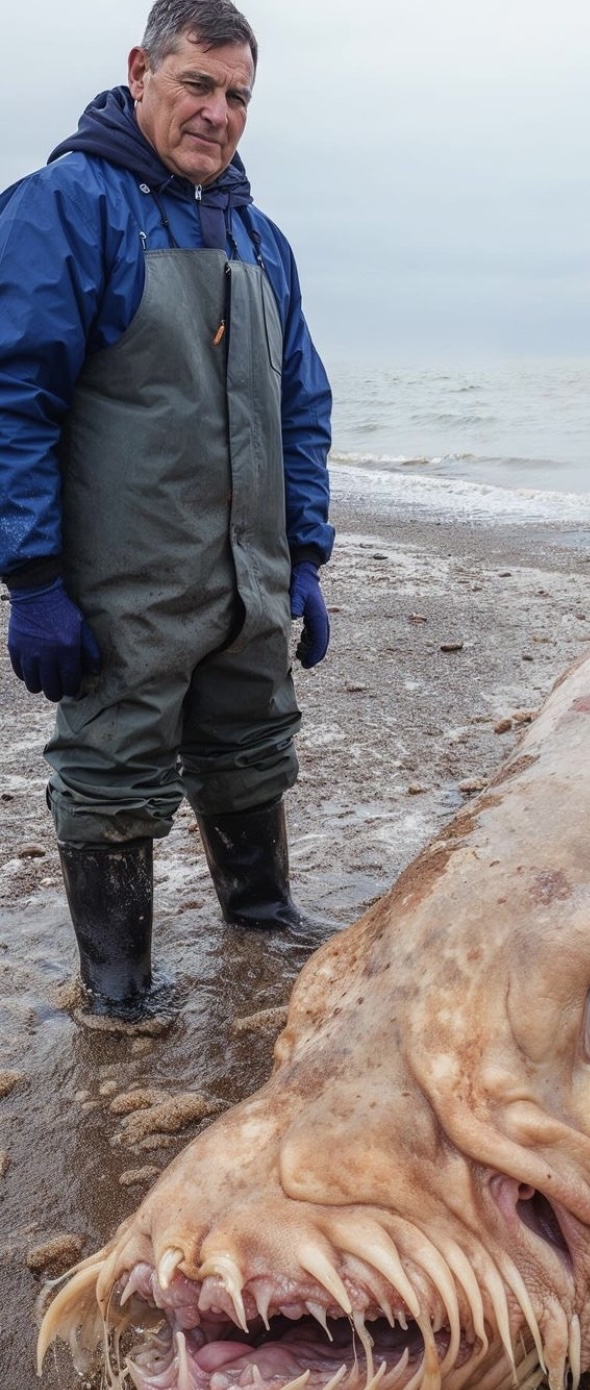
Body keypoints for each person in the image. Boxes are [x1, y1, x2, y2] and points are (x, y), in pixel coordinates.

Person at [0, 0, 335, 1019]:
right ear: (141, 71)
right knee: (113, 765)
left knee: (250, 739)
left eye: (238, 96)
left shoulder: (261, 239)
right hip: (123, 579)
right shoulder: (64, 208)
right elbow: (14, 398)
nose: (217, 113)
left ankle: (263, 915)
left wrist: (304, 555)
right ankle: (119, 990)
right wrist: (33, 579)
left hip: (244, 575)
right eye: (197, 84)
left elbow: (301, 406)